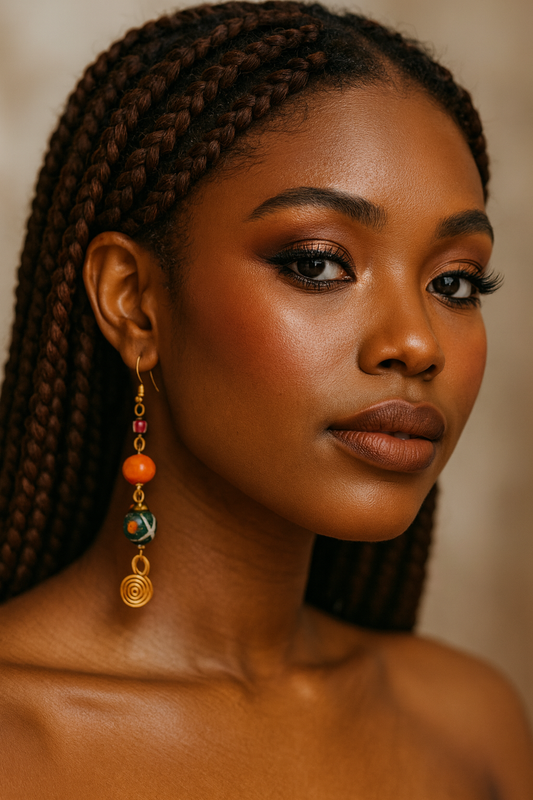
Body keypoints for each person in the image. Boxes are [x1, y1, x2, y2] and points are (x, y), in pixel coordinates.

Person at [0, 1, 531, 796]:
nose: (416, 343)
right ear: (134, 303)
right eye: (317, 263)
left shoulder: (467, 722)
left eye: (454, 282)